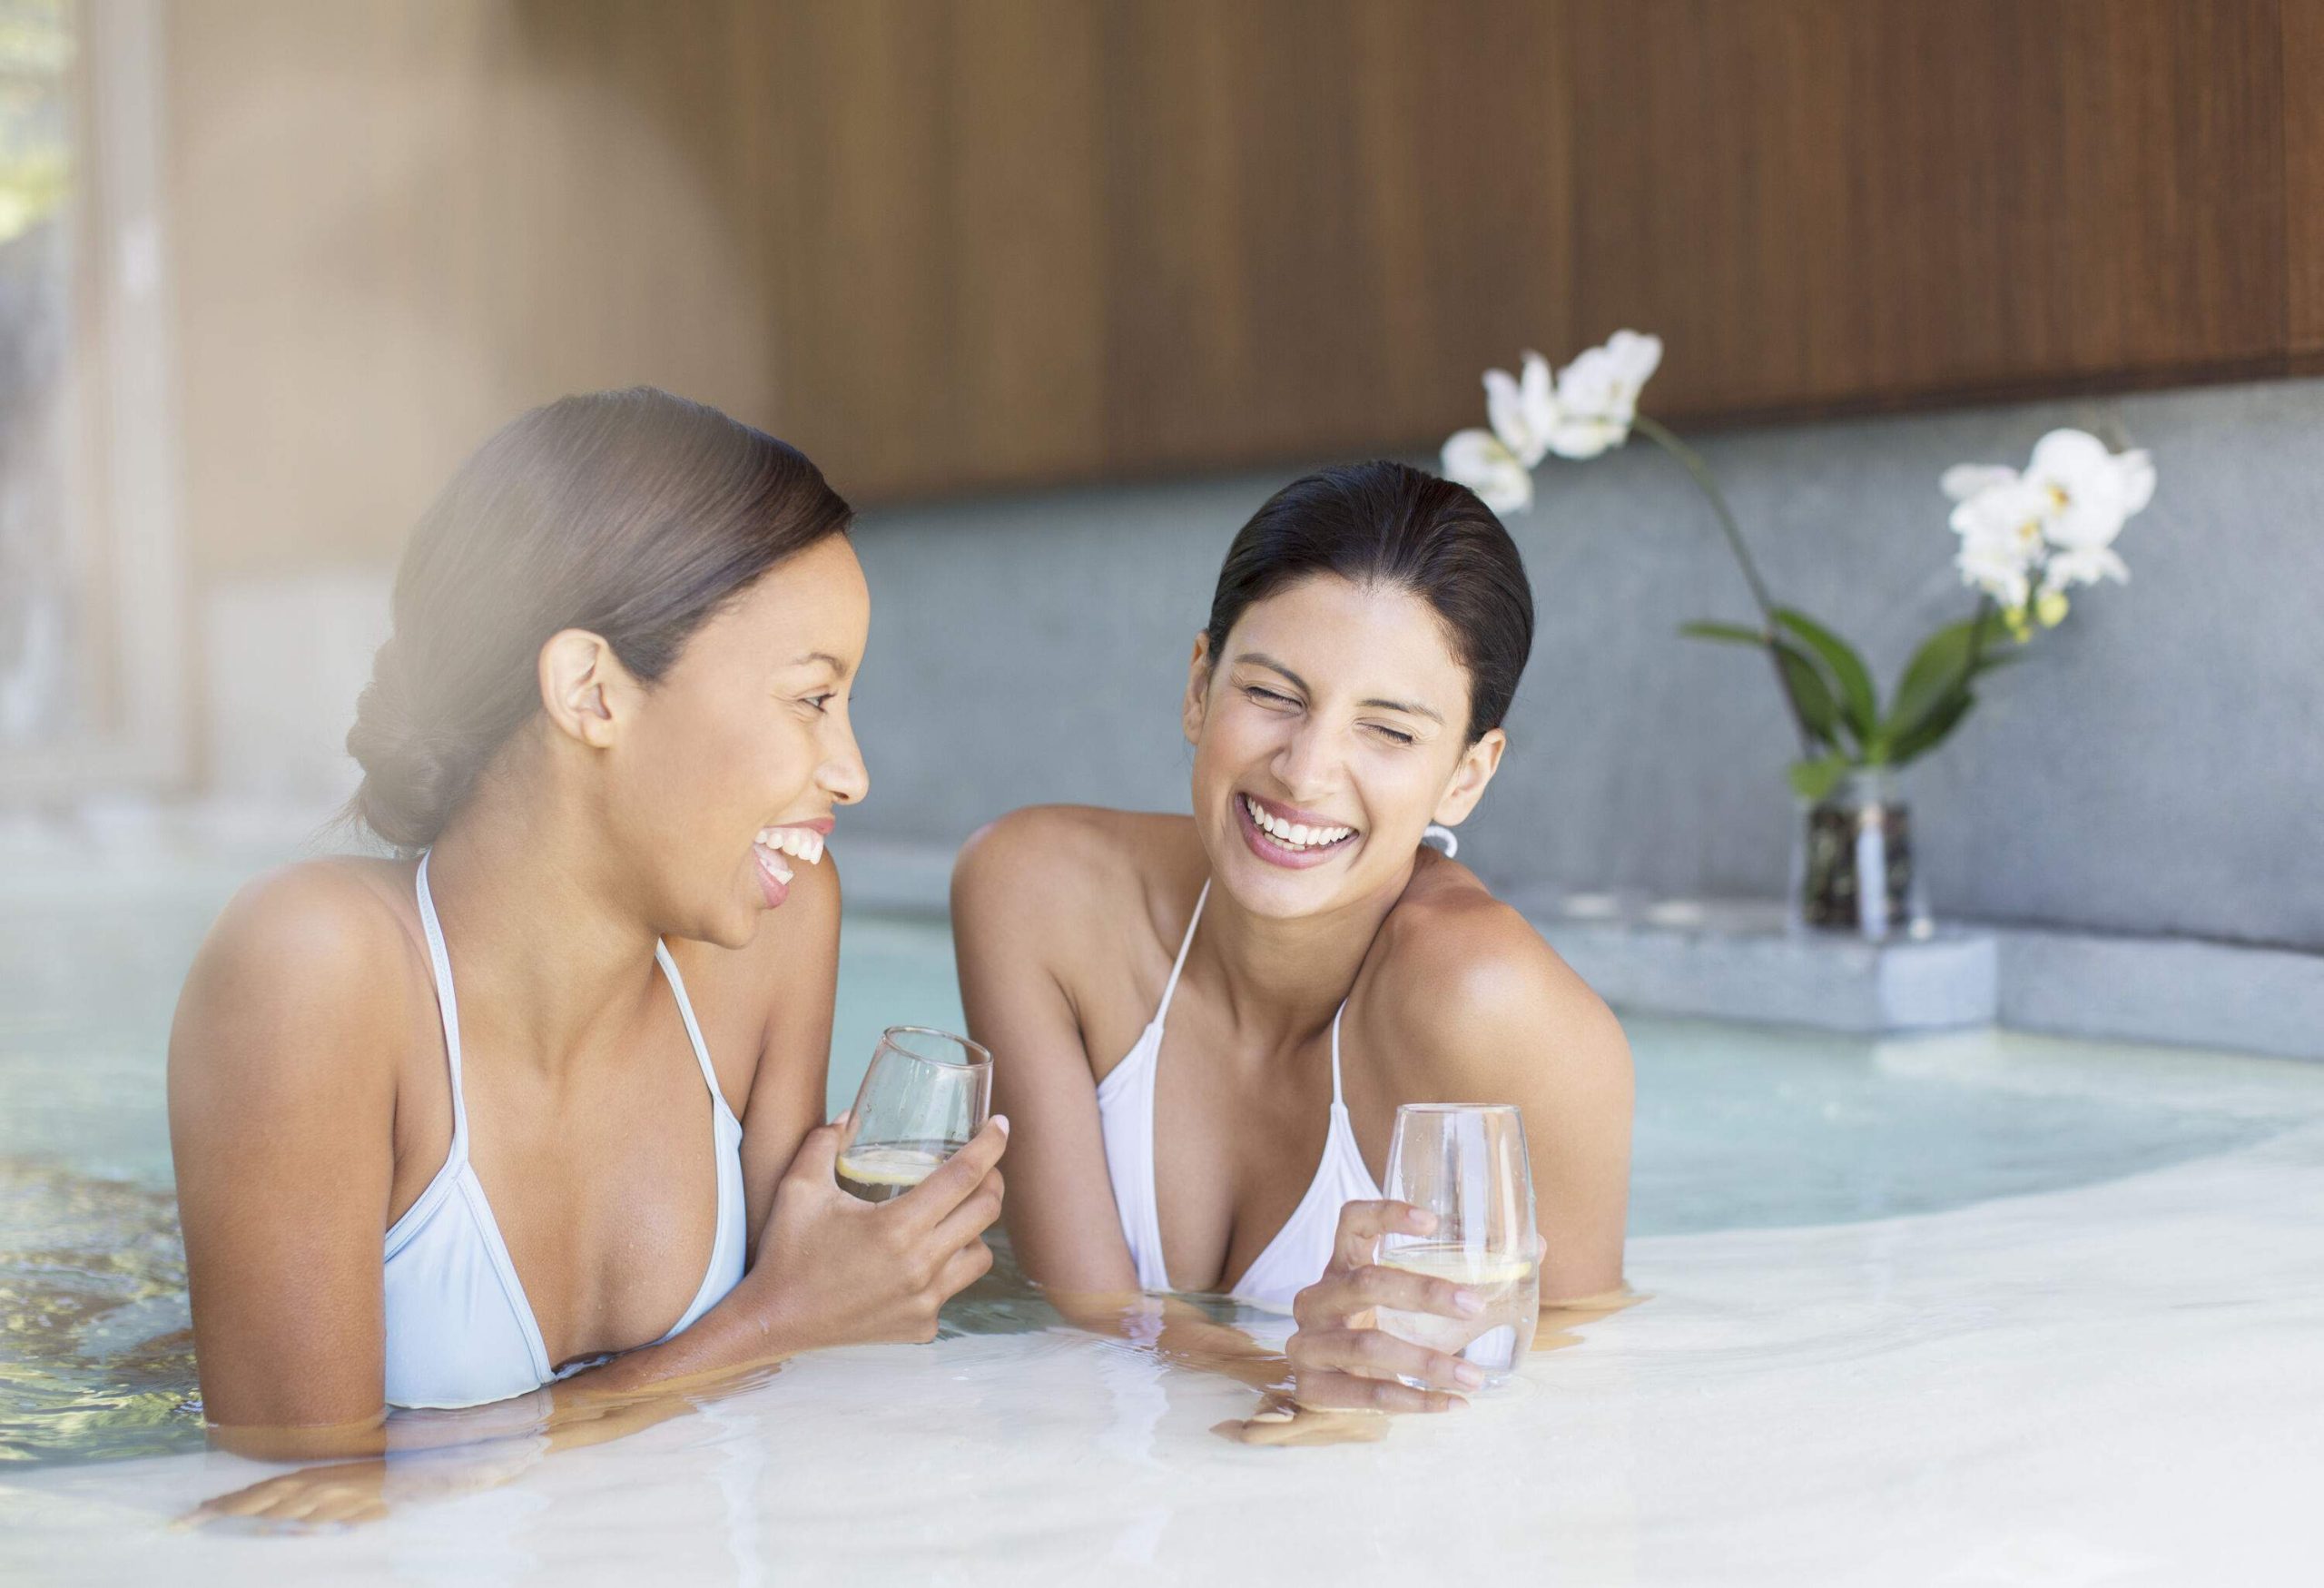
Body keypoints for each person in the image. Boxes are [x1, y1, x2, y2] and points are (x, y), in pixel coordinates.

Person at [169, 390, 1006, 1521]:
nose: (850, 771)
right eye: (811, 697)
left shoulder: (777, 931)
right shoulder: (318, 969)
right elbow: (300, 1498)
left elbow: (799, 1410)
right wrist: (775, 1324)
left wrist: (874, 1284)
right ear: (591, 692)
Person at [952, 459, 1630, 1415]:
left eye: (1388, 731)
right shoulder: (1034, 894)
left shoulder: (1496, 1009)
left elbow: (1579, 1382)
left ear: (1466, 776)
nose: (1306, 773)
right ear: (1200, 685)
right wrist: (1279, 1375)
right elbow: (1083, 1310)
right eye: (1273, 694)